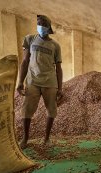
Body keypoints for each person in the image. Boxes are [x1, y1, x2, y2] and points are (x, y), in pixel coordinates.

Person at [16, 15, 63, 149]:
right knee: (27, 110)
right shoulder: (30, 39)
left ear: (48, 27)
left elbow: (58, 68)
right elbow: (25, 62)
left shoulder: (55, 45)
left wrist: (60, 88)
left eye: (43, 23)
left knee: (51, 110)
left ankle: (47, 138)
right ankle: (25, 138)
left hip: (50, 81)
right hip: (32, 81)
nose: (40, 26)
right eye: (38, 23)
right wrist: (20, 82)